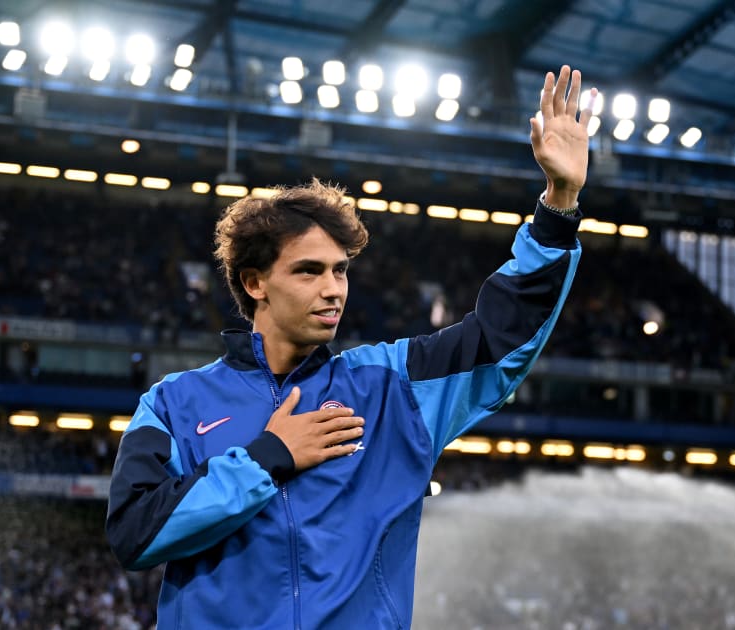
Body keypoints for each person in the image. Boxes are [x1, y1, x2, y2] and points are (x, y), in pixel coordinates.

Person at [107, 65, 595, 629]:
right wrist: (268, 457)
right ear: (255, 283)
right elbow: (135, 533)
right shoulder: (172, 404)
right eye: (309, 271)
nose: (333, 288)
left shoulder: (391, 388)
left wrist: (559, 205)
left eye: (340, 270)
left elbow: (499, 337)